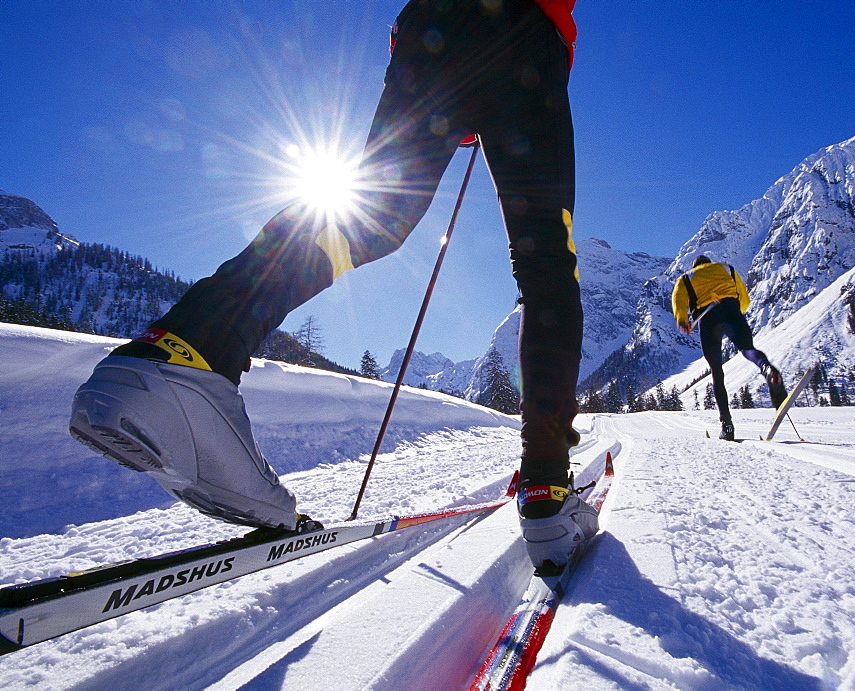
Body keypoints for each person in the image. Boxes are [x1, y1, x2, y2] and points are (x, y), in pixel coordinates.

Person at [69, 0, 596, 571]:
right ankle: (546, 484)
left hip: (434, 30)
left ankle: (185, 347)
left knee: (372, 218)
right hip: (526, 38)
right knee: (546, 259)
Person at [672, 255, 787, 441]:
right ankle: (767, 368)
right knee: (748, 350)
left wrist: (683, 321)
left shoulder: (685, 279)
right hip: (732, 311)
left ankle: (727, 425)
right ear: (709, 263)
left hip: (707, 320)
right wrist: (734, 313)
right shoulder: (727, 268)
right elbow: (745, 299)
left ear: (695, 266)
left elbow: (679, 304)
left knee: (717, 372)